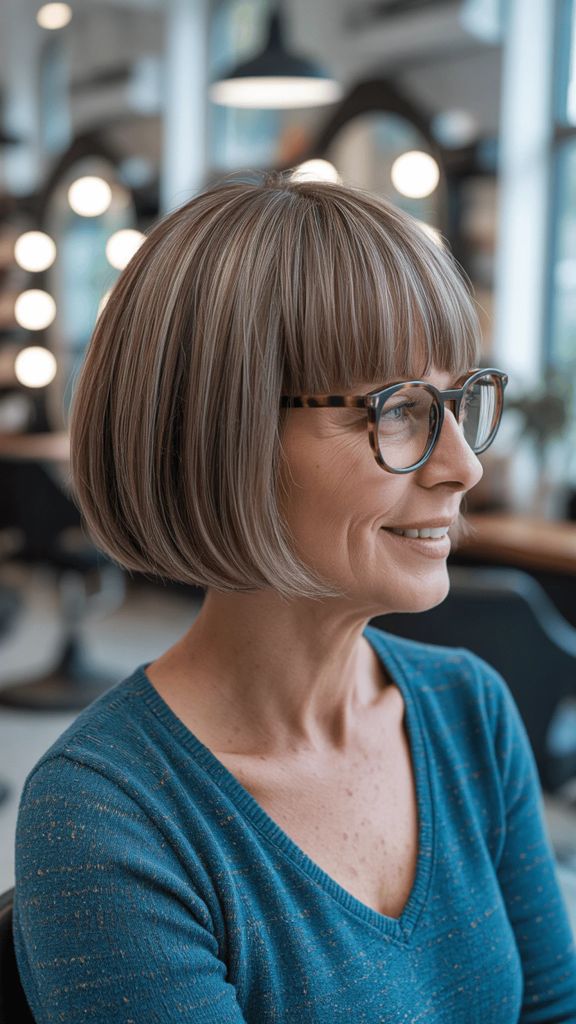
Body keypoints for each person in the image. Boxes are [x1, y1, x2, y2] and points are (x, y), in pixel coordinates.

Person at [12, 173, 576, 1023]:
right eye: (396, 410)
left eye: (458, 404)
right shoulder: (106, 816)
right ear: (222, 433)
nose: (464, 466)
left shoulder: (470, 710)